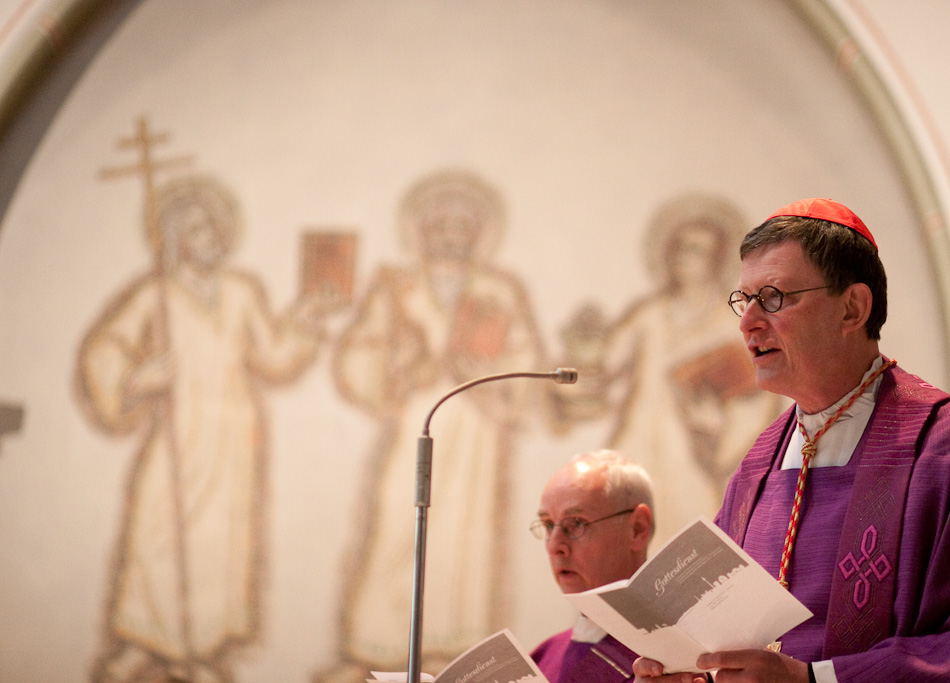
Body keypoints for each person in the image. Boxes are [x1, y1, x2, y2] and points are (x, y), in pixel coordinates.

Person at [633, 198, 950, 683]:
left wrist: (812, 679)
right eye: (744, 300)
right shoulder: (758, 464)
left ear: (852, 308)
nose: (747, 322)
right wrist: (690, 671)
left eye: (773, 297)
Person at [76, 174, 326, 683]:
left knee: (223, 542)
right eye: (196, 229)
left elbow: (273, 355)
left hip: (234, 438)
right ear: (178, 240)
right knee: (158, 536)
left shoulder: (240, 291)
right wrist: (138, 377)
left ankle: (202, 651)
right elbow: (105, 347)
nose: (209, 237)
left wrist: (304, 319)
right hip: (179, 435)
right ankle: (147, 643)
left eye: (214, 227)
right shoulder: (157, 294)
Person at [317, 169, 544, 682]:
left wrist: (484, 375)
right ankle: (379, 646)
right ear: (422, 231)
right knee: (399, 527)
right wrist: (397, 370)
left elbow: (526, 360)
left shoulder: (500, 290)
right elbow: (357, 352)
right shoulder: (395, 286)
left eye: (463, 227)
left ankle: (454, 650)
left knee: (464, 539)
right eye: (441, 226)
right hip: (415, 426)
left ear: (478, 234)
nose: (451, 237)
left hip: (478, 432)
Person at [554, 193, 780, 551]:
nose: (683, 258)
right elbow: (602, 368)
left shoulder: (733, 324)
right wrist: (582, 354)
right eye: (679, 248)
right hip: (635, 451)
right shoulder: (650, 315)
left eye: (696, 250)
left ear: (715, 259)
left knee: (686, 560)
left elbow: (756, 400)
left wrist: (718, 433)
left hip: (692, 464)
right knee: (619, 554)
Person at [530, 449, 655, 683]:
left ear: (637, 528)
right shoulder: (541, 659)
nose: (555, 546)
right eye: (548, 525)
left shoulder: (682, 658)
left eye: (576, 523)